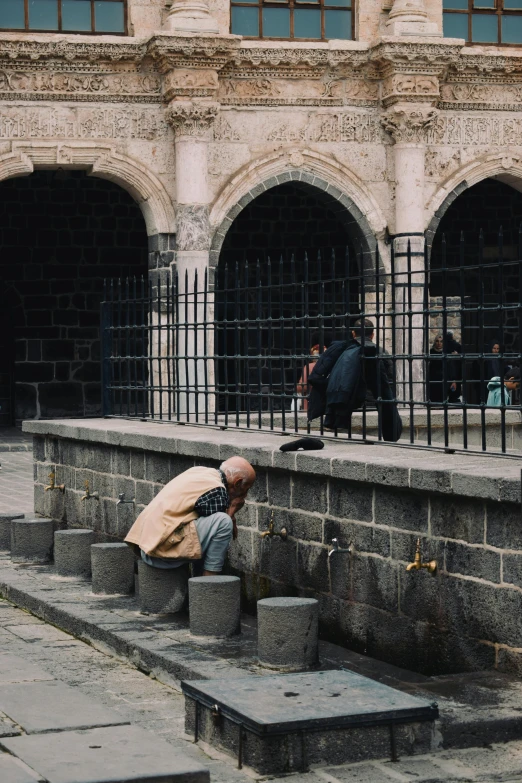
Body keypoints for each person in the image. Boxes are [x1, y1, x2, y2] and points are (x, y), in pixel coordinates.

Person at [125, 456, 256, 576]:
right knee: (224, 522)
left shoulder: (200, 471)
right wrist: (232, 510)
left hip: (145, 544)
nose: (245, 495)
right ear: (237, 483)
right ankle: (209, 580)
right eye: (247, 488)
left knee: (212, 524)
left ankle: (199, 577)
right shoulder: (218, 491)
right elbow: (220, 525)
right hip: (159, 552)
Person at [307, 318, 402, 442]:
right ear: (373, 335)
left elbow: (318, 377)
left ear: (353, 333)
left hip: (343, 405)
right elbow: (389, 381)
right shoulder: (382, 353)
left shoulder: (341, 351)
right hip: (374, 403)